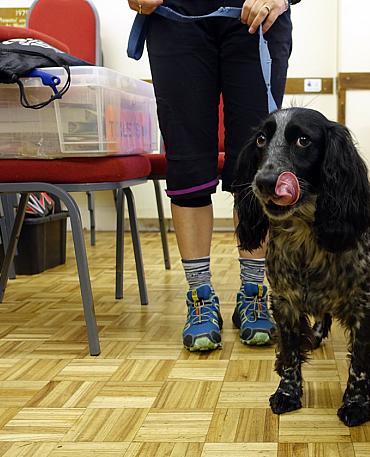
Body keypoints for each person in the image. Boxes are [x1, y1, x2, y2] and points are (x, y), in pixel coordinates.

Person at [127, 0, 298, 351]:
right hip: (173, 19)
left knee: (257, 167)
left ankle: (253, 294)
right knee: (187, 163)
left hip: (257, 18)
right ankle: (200, 297)